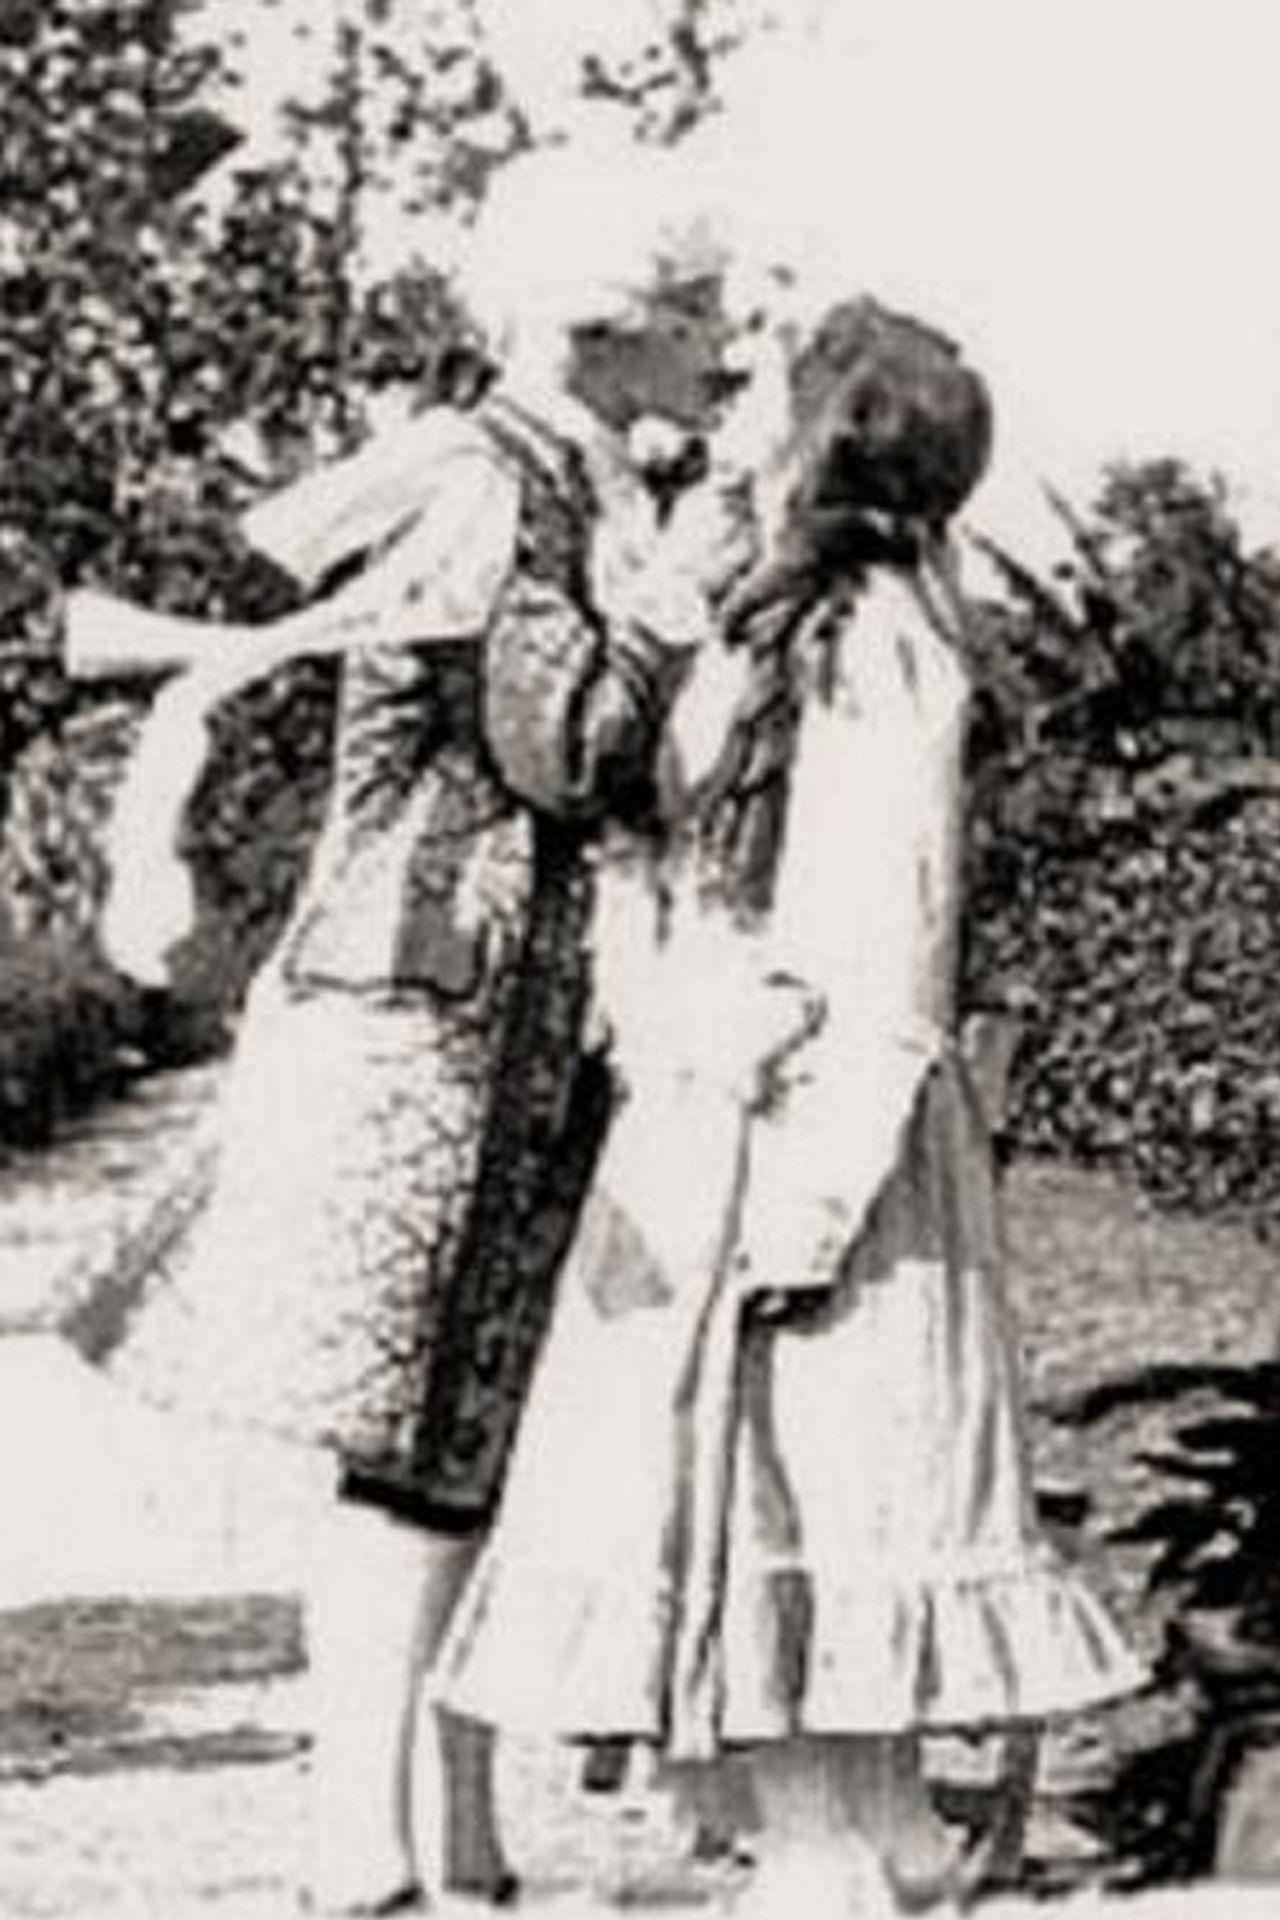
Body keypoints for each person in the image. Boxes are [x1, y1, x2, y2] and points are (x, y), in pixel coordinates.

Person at [61, 155, 758, 1917]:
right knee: (421, 1423)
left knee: (467, 1421)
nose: (723, 344)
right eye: (695, 312)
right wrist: (681, 593)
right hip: (436, 1006)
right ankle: (358, 1845)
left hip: (484, 1000)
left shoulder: (549, 471)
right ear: (608, 327)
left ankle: (442, 1829)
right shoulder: (495, 481)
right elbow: (563, 751)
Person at [433, 294, 1147, 1915]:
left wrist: (815, 1195)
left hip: (824, 1128)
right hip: (726, 1099)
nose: (736, 415)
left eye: (776, 400)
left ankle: (838, 1842)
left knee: (825, 1480)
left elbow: (892, 939)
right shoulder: (785, 625)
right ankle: (855, 1830)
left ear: (827, 443)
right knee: (751, 1484)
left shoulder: (880, 642)